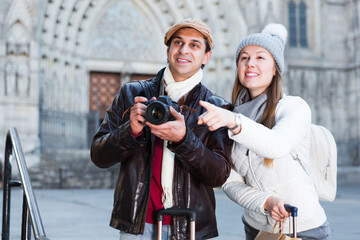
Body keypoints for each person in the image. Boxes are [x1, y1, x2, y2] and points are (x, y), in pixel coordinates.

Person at [90, 18, 232, 240]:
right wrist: (131, 131)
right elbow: (99, 156)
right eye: (177, 42)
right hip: (139, 224)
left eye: (194, 45)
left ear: (206, 56)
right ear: (168, 50)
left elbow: (219, 175)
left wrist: (184, 139)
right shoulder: (131, 94)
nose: (184, 50)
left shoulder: (217, 107)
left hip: (190, 226)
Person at [197, 23, 331, 240]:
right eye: (244, 58)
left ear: (276, 67)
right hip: (256, 227)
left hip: (303, 227)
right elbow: (229, 181)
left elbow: (277, 144)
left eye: (260, 57)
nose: (250, 64)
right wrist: (265, 202)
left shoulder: (293, 107)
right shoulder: (229, 115)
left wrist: (233, 121)